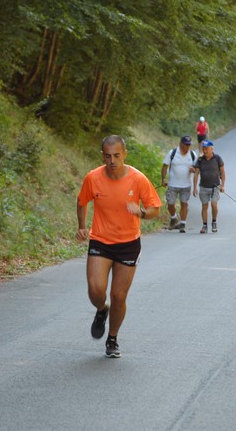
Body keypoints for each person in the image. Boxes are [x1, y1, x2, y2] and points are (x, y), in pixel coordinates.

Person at [76, 135, 162, 358]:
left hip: (128, 244)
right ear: (102, 155)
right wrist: (81, 226)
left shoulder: (138, 179)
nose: (112, 160)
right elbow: (82, 201)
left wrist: (141, 212)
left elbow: (155, 209)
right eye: (107, 156)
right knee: (96, 290)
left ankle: (112, 338)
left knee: (118, 296)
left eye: (116, 155)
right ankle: (101, 310)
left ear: (125, 154)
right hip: (101, 241)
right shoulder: (93, 178)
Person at [161, 135, 197, 233]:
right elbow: (165, 166)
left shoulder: (193, 155)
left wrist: (193, 170)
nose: (188, 147)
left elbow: (197, 169)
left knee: (184, 203)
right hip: (172, 184)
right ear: (181, 144)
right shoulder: (172, 153)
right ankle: (174, 218)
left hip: (186, 185)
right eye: (186, 145)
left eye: (189, 145)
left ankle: (182, 224)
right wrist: (163, 179)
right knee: (170, 204)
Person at [193, 140, 225, 234]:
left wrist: (223, 185)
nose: (205, 150)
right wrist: (195, 188)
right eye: (203, 148)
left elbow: (223, 172)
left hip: (215, 187)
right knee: (204, 206)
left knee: (214, 204)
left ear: (212, 149)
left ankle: (214, 221)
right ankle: (204, 225)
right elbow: (196, 174)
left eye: (206, 148)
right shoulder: (200, 160)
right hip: (203, 186)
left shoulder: (217, 158)